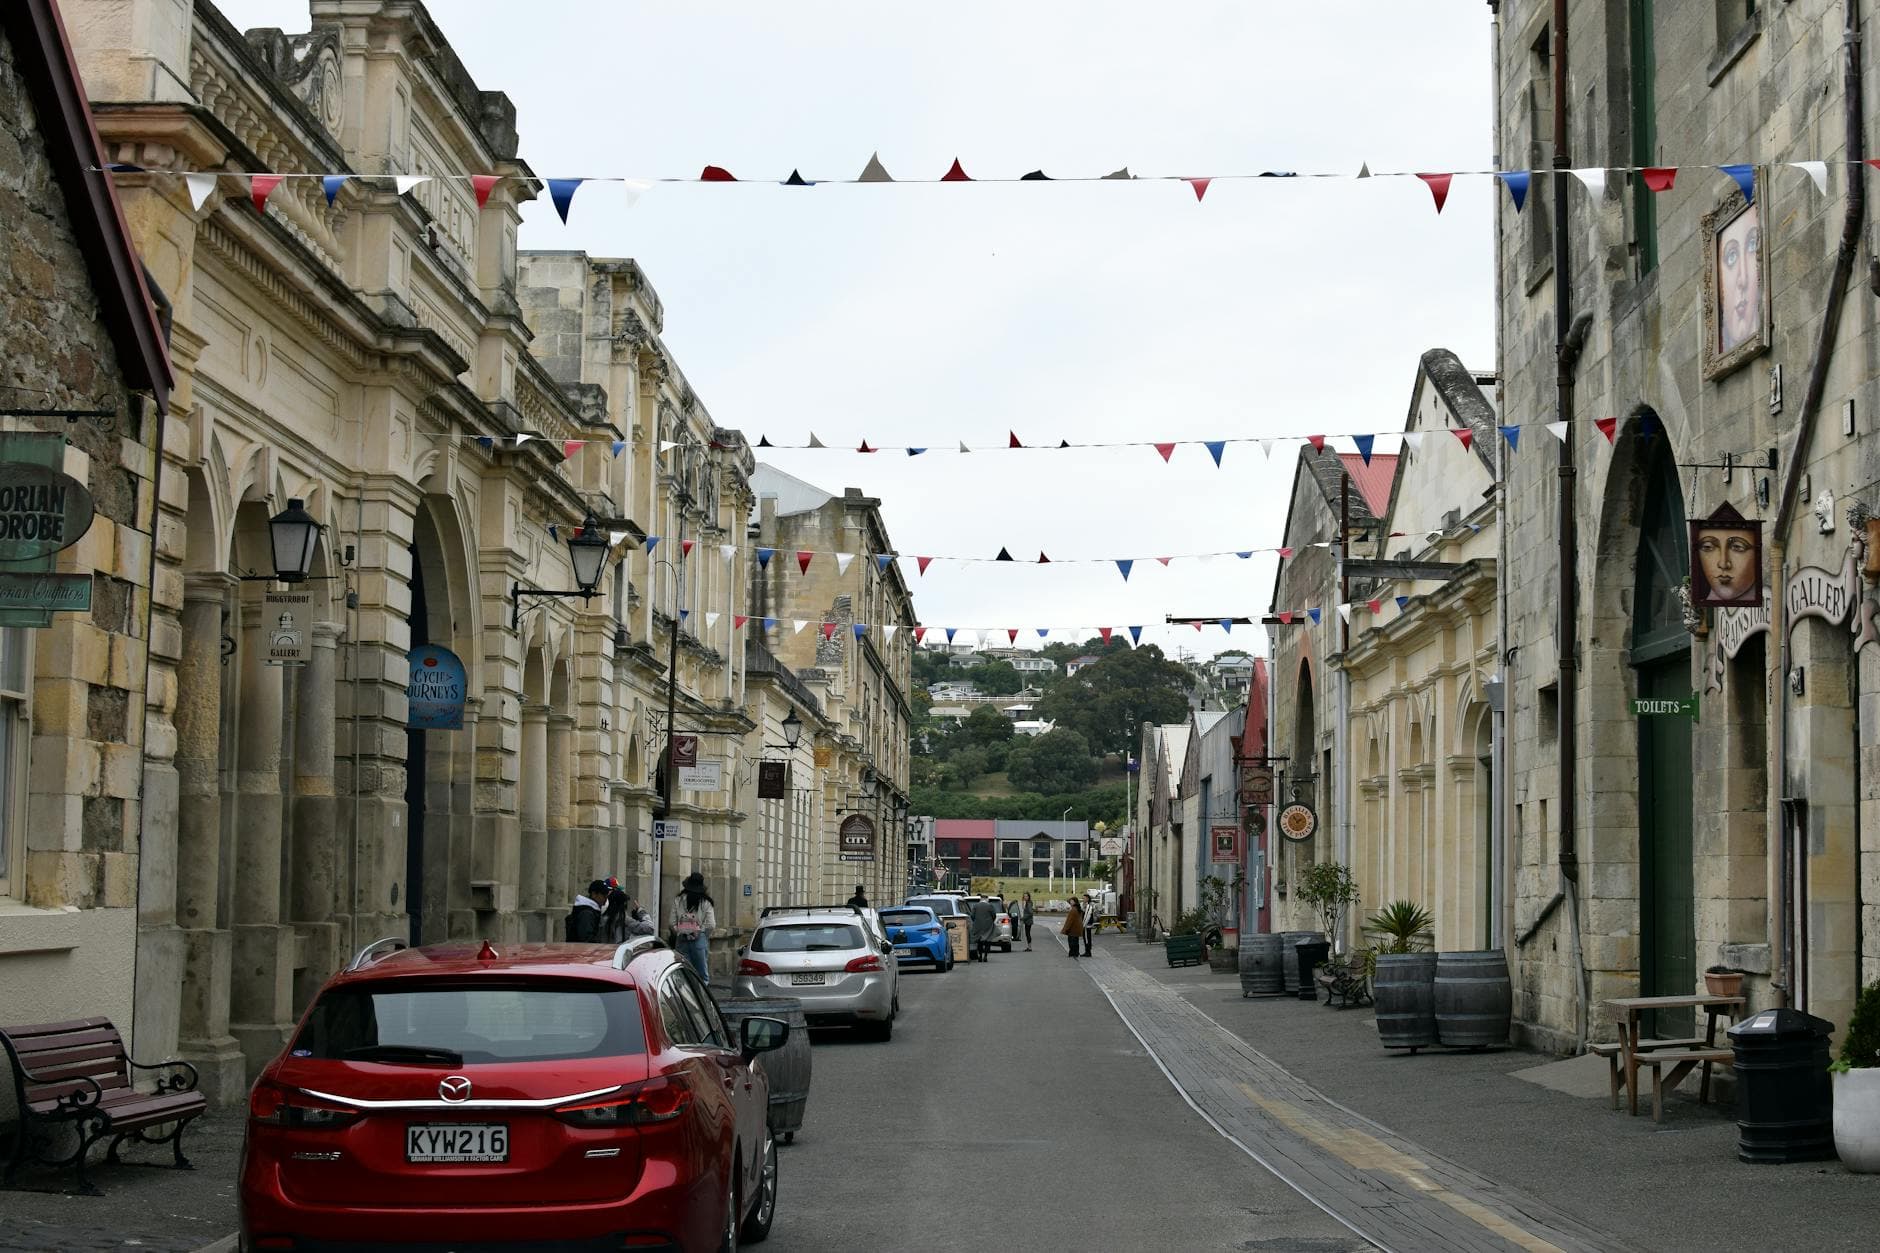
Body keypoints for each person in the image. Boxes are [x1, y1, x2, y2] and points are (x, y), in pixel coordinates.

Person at [669, 872, 716, 983]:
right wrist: (701, 932)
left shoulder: (678, 900)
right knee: (702, 975)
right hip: (699, 941)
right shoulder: (706, 902)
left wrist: (681, 931)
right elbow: (711, 924)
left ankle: (684, 997)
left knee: (683, 974)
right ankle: (702, 997)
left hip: (681, 940)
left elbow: (671, 923)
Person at [968, 895, 997, 963]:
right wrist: (991, 921)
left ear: (980, 899)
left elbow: (972, 915)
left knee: (979, 941)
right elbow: (994, 915)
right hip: (988, 925)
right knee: (987, 941)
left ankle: (980, 956)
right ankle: (985, 956)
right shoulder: (990, 906)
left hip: (978, 926)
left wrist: (976, 921)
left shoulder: (975, 905)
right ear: (987, 899)